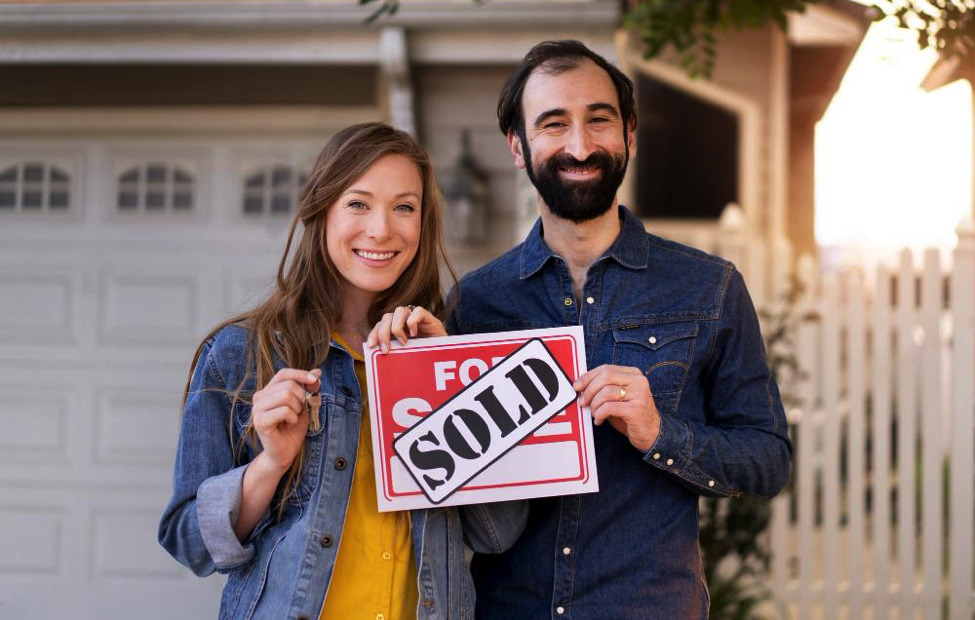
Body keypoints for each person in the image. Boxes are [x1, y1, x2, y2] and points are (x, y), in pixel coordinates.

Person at [372, 40, 792, 618]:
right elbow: (450, 495)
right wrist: (412, 376)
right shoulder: (475, 302)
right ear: (518, 147)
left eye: (599, 120)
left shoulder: (708, 287)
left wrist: (657, 432)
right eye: (553, 124)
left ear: (630, 137)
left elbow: (767, 460)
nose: (580, 144)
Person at [158, 122, 522, 620]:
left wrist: (451, 386)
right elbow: (191, 543)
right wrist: (270, 466)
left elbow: (496, 533)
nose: (381, 229)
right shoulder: (241, 353)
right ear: (320, 210)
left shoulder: (445, 351)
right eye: (358, 203)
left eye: (404, 207)